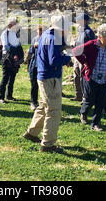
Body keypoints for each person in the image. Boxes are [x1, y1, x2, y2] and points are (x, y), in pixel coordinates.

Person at [23, 15, 72, 154]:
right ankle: (48, 144)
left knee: (43, 106)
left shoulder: (46, 35)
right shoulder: (53, 38)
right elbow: (54, 60)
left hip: (44, 76)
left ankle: (31, 132)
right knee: (53, 111)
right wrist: (68, 58)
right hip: (51, 78)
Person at [72, 24, 106, 131]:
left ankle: (95, 123)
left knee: (101, 102)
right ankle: (83, 113)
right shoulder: (91, 44)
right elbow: (75, 51)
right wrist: (84, 62)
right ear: (99, 36)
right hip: (91, 77)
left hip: (104, 79)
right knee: (89, 99)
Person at [0, 18, 24, 104]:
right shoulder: (5, 33)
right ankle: (0, 97)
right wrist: (14, 52)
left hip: (14, 58)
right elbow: (6, 46)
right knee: (5, 78)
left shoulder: (14, 34)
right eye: (16, 24)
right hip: (7, 58)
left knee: (12, 78)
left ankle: (9, 95)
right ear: (12, 25)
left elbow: (17, 44)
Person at [72, 14, 96, 102]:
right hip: (77, 57)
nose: (77, 22)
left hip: (84, 58)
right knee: (76, 75)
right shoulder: (80, 30)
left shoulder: (89, 32)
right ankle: (78, 95)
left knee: (83, 77)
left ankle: (84, 97)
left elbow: (93, 46)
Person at [28, 25, 44, 111]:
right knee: (34, 84)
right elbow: (30, 51)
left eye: (41, 30)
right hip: (34, 64)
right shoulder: (34, 39)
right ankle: (33, 102)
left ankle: (42, 102)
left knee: (42, 85)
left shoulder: (46, 39)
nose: (40, 32)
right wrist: (34, 46)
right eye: (39, 30)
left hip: (42, 65)